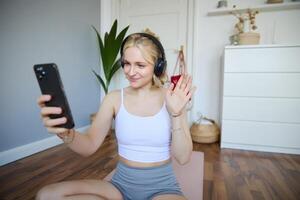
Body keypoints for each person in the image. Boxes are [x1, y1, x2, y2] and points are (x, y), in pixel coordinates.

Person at [36, 31, 196, 200]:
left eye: (140, 65)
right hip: (119, 186)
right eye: (126, 63)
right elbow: (89, 145)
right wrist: (67, 134)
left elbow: (183, 157)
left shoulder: (172, 99)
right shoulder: (113, 98)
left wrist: (176, 113)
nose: (131, 72)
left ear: (157, 66)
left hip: (162, 188)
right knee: (46, 195)